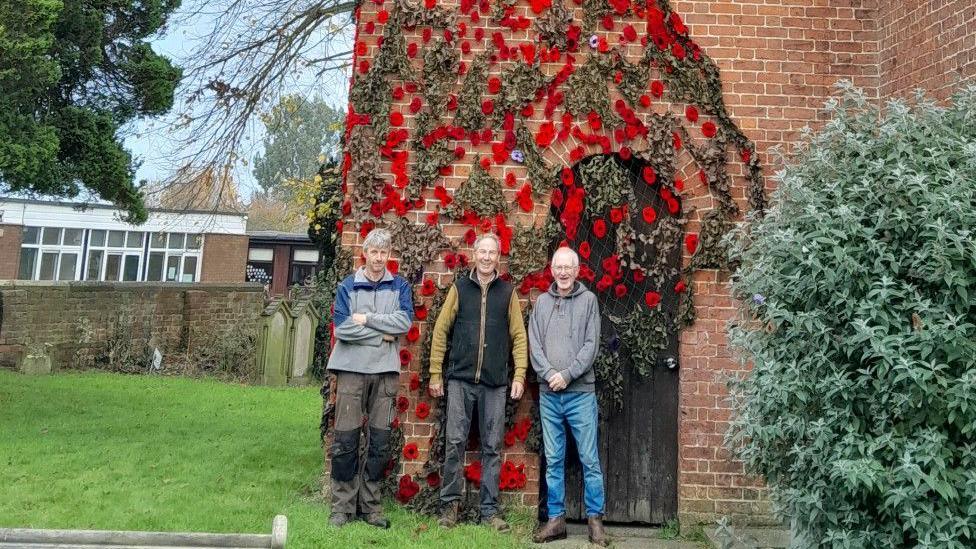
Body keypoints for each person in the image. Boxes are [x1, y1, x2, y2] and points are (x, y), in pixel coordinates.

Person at [429, 233, 528, 531]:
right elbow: (440, 330)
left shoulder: (507, 292)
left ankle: (489, 511)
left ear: (498, 257)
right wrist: (436, 372)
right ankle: (449, 508)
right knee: (455, 443)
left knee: (492, 447)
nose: (486, 257)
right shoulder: (459, 288)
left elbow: (519, 337)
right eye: (482, 251)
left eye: (492, 252)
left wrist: (519, 374)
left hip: (495, 383)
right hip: (460, 379)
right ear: (474, 254)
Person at [326, 228, 413, 529]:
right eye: (373, 252)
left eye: (383, 253)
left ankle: (371, 506)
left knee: (379, 441)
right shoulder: (348, 286)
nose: (378, 258)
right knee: (346, 439)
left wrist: (367, 319)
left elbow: (403, 322)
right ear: (365, 254)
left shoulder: (399, 286)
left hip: (384, 374)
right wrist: (382, 336)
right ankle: (342, 507)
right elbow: (342, 327)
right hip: (351, 371)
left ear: (389, 255)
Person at [529, 247, 607, 546]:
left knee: (589, 458)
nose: (563, 272)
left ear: (577, 271)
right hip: (550, 395)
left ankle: (595, 521)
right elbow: (534, 343)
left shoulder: (588, 301)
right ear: (552, 270)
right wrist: (550, 374)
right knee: (554, 458)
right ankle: (556, 520)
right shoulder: (542, 303)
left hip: (580, 395)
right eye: (558, 267)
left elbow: (591, 344)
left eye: (568, 268)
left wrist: (567, 375)